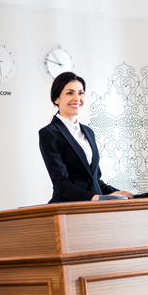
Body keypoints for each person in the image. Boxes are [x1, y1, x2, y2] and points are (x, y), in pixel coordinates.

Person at [39, 72, 132, 203]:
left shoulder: (88, 132)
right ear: (56, 99)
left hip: (94, 208)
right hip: (67, 208)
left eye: (81, 93)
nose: (77, 98)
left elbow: (94, 181)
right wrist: (93, 198)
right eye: (70, 93)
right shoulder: (49, 133)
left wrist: (121, 194)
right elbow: (61, 184)